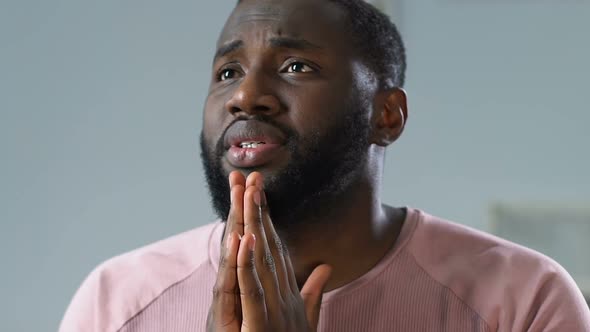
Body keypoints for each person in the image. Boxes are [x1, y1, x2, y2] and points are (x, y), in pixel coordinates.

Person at [59, 0, 590, 331]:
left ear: (387, 115)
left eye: (296, 66)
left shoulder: (522, 300)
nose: (246, 95)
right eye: (227, 72)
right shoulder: (117, 301)